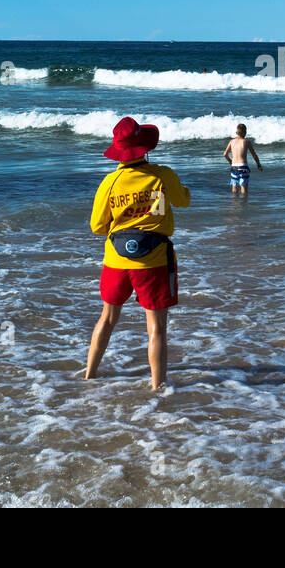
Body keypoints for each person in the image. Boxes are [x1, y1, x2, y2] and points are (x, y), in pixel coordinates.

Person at [85, 117, 191, 390]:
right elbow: (183, 201)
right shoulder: (162, 175)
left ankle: (90, 375)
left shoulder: (110, 181)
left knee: (107, 318)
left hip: (116, 262)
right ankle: (157, 388)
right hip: (154, 261)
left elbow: (97, 226)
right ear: (144, 148)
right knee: (156, 328)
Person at [223, 123, 263, 195]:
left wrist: (230, 161)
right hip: (243, 166)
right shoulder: (246, 141)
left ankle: (235, 204)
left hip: (234, 166)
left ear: (236, 132)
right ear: (245, 132)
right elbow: (254, 155)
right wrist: (258, 164)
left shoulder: (232, 141)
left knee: (234, 188)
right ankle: (244, 204)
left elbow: (225, 154)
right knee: (244, 189)